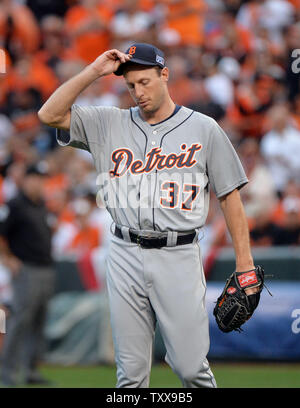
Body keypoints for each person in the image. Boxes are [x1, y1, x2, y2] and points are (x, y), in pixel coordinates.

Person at [38, 43, 258, 388]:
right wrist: (94, 71)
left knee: (190, 369)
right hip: (124, 251)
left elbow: (230, 197)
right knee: (130, 376)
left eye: (145, 82)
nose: (138, 92)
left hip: (179, 254)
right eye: (131, 86)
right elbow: (48, 114)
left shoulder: (203, 128)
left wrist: (245, 266)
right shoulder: (107, 122)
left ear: (164, 75)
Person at [0, 162, 55, 386]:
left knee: (39, 322)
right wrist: (8, 258)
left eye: (42, 179)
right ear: (27, 180)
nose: (39, 183)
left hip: (46, 268)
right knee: (21, 321)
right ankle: (7, 372)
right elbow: (1, 234)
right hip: (27, 269)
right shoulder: (16, 204)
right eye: (36, 178)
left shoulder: (41, 204)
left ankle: (31, 370)